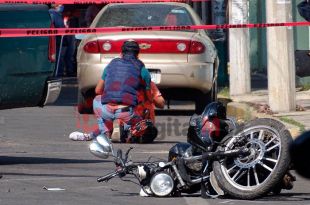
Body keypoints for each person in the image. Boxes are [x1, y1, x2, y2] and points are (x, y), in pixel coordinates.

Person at [70, 40, 153, 141]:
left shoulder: (111, 65)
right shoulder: (142, 69)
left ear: (121, 53)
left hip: (106, 111)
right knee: (143, 122)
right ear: (138, 54)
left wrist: (112, 93)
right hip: (127, 113)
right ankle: (129, 132)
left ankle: (105, 131)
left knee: (97, 99)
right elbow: (149, 99)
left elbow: (98, 90)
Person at [70, 81, 165, 142]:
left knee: (102, 103)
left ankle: (94, 135)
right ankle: (131, 134)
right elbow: (161, 104)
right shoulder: (148, 84)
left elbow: (98, 91)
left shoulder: (118, 83)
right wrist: (150, 96)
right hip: (144, 123)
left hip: (124, 118)